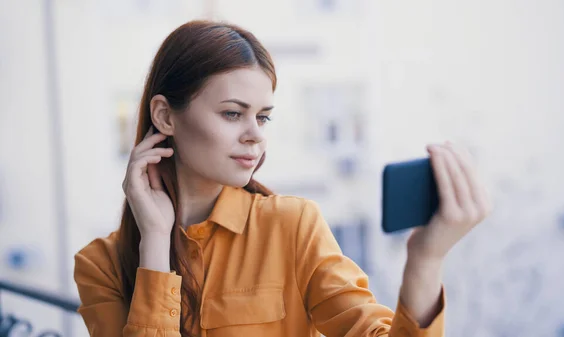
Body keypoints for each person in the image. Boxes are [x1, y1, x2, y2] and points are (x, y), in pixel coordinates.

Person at [73, 20, 492, 337]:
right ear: (165, 116)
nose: (255, 133)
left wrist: (425, 259)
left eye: (263, 116)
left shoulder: (293, 226)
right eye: (233, 113)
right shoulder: (101, 265)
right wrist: (155, 242)